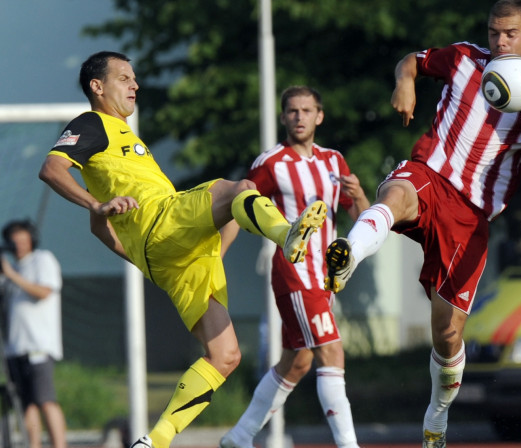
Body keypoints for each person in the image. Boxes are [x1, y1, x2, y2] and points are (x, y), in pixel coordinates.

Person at [38, 51, 328, 448]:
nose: (134, 85)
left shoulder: (124, 138)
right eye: (124, 78)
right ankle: (286, 235)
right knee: (237, 188)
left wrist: (138, 252)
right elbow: (51, 168)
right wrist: (94, 203)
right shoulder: (93, 123)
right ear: (97, 86)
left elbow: (99, 228)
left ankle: (154, 441)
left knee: (225, 355)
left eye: (135, 78)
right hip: (164, 221)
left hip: (170, 260)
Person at [324, 1, 521, 446]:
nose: (501, 41)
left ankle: (436, 418)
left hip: (471, 217)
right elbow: (413, 61)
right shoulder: (465, 59)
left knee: (446, 333)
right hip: (431, 173)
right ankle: (348, 255)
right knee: (397, 194)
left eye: (511, 34)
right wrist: (405, 81)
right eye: (495, 32)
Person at [220, 86, 369, 448]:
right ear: (283, 116)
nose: (299, 117)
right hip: (295, 271)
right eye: (292, 111)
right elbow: (240, 208)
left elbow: (361, 216)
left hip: (326, 276)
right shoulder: (271, 163)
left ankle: (239, 436)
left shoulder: (334, 161)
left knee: (298, 362)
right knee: (332, 351)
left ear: (319, 116)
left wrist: (361, 193)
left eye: (306, 110)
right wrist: (216, 257)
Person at [0, 220, 67, 448]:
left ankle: (59, 445)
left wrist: (11, 274)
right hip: (14, 348)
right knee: (26, 403)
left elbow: (44, 291)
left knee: (45, 399)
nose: (18, 246)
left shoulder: (42, 260)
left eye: (23, 241)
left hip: (38, 345)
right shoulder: (10, 270)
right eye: (14, 242)